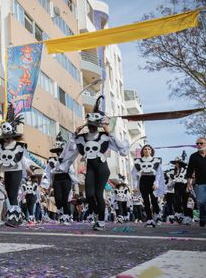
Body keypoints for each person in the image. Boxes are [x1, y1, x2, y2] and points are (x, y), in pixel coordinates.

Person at [59, 96, 129, 231]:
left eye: (93, 125)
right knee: (89, 194)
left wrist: (109, 131)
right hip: (90, 167)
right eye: (89, 125)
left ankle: (101, 221)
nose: (91, 127)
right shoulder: (81, 138)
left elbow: (121, 148)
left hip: (102, 168)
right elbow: (70, 149)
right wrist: (75, 133)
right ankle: (97, 212)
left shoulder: (104, 136)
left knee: (98, 194)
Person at [43, 133, 80, 225]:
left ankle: (66, 216)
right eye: (57, 151)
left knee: (66, 198)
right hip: (57, 179)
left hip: (66, 178)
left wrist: (76, 189)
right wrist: (46, 183)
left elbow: (72, 171)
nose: (59, 152)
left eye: (60, 151)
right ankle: (60, 212)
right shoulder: (51, 160)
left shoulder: (68, 159)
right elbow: (47, 171)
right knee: (58, 198)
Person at [131, 144, 165, 228]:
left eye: (148, 149)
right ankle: (149, 219)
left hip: (152, 180)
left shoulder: (156, 161)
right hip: (143, 181)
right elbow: (134, 174)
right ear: (142, 151)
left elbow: (159, 173)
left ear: (151, 151)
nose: (147, 150)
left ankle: (157, 216)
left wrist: (156, 183)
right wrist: (135, 186)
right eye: (145, 149)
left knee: (154, 200)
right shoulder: (138, 161)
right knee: (146, 201)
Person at [186, 137, 206, 227]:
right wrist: (189, 183)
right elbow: (189, 171)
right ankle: (202, 218)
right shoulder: (193, 156)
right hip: (200, 183)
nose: (199, 145)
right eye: (197, 144)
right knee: (201, 202)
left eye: (201, 143)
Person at [171, 156, 193, 225]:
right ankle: (179, 214)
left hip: (184, 185)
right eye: (175, 163)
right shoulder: (174, 171)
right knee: (176, 199)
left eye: (178, 163)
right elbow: (172, 180)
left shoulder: (185, 169)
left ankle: (188, 217)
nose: (176, 164)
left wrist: (188, 186)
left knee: (185, 202)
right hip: (177, 186)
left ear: (180, 163)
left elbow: (189, 178)